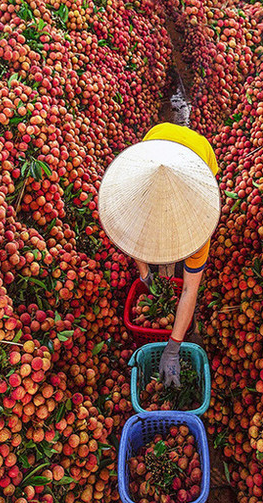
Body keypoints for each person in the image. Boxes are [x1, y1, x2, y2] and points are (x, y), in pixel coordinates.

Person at [97, 122, 220, 388]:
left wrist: (173, 347)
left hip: (200, 154)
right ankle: (161, 270)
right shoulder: (135, 206)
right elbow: (131, 235)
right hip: (157, 140)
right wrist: (144, 272)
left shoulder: (198, 235)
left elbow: (189, 290)